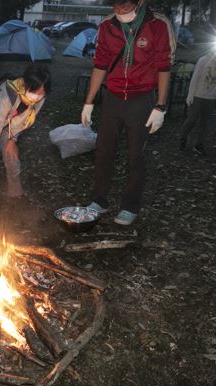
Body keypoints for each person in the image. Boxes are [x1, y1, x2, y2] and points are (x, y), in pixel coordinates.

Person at [81, 0, 175, 225]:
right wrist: (89, 102)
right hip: (113, 97)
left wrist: (160, 106)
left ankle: (130, 205)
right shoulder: (107, 26)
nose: (120, 12)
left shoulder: (158, 25)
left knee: (136, 156)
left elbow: (164, 66)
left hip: (141, 99)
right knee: (103, 151)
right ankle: (99, 200)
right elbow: (100, 64)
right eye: (116, 7)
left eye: (125, 7)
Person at [0, 65, 51, 232]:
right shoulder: (8, 95)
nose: (38, 96)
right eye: (36, 92)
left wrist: (12, 139)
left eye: (42, 93)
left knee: (12, 160)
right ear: (26, 85)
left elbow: (21, 121)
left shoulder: (40, 97)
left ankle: (16, 198)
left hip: (7, 123)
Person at [179, 51, 216, 156]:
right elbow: (195, 78)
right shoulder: (203, 60)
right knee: (191, 119)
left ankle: (199, 144)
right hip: (198, 96)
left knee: (204, 123)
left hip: (210, 98)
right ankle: (183, 137)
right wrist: (190, 95)